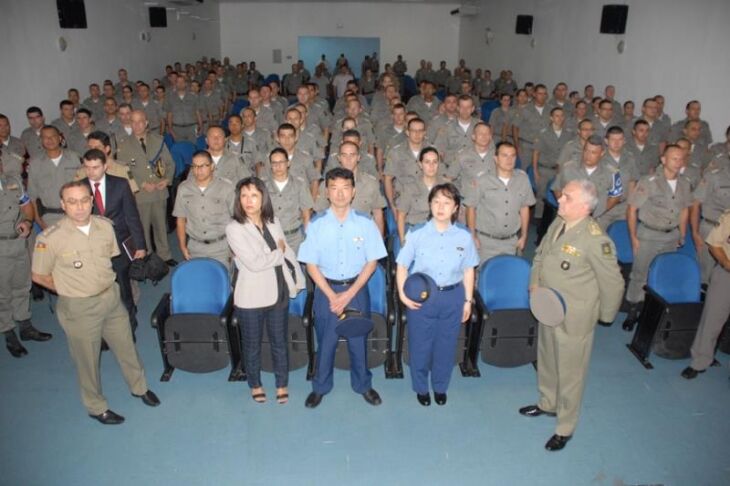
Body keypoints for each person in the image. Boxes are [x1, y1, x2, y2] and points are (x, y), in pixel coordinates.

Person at [31, 181, 159, 425]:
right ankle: (96, 406)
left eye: (83, 200)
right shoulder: (50, 238)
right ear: (62, 205)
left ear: (91, 201)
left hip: (110, 297)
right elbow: (39, 275)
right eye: (72, 202)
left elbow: (110, 258)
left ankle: (139, 387)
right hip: (79, 307)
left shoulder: (105, 227)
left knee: (127, 347)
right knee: (87, 360)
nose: (79, 207)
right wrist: (69, 288)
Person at [520, 179, 624, 451]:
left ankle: (565, 426)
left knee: (570, 371)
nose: (560, 200)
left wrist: (604, 316)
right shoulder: (559, 222)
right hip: (548, 307)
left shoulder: (595, 239)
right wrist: (535, 283)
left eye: (566, 197)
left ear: (584, 207)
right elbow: (540, 255)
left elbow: (613, 282)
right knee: (547, 358)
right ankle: (547, 402)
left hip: (575, 317)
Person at [298, 167, 388, 408]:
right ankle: (320, 387)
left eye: (345, 188)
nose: (340, 194)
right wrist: (331, 295)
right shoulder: (316, 224)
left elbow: (372, 262)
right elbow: (310, 264)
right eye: (334, 188)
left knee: (358, 341)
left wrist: (348, 294)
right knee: (326, 342)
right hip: (326, 291)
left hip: (356, 291)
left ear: (353, 191)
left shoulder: (365, 223)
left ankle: (363, 385)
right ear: (327, 192)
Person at [396, 183, 478, 406]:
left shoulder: (464, 236)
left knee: (446, 344)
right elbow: (402, 265)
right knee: (420, 344)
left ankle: (440, 387)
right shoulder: (417, 234)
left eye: (446, 202)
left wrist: (468, 301)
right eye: (436, 202)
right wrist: (403, 295)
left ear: (455, 208)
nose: (440, 207)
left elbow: (469, 269)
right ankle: (421, 388)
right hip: (424, 298)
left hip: (453, 296)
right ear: (430, 205)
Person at [226, 177, 305, 404]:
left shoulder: (273, 221)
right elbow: (254, 263)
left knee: (279, 342)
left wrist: (292, 274)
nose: (248, 201)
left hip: (278, 290)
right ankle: (255, 384)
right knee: (252, 345)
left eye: (254, 195)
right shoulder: (234, 228)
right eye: (243, 196)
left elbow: (286, 252)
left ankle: (282, 384)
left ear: (263, 198)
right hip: (250, 296)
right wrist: (276, 253)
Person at [622, 145, 692, 330]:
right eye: (674, 158)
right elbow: (632, 209)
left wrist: (683, 233)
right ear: (663, 159)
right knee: (640, 274)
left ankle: (653, 311)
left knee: (663, 274)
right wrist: (634, 237)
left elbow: (685, 209)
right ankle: (633, 309)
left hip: (671, 236)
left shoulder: (685, 183)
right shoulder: (649, 181)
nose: (678, 162)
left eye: (681, 159)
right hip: (649, 234)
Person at [79, 148, 146, 336]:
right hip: (92, 249)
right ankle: (107, 331)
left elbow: (132, 216)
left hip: (118, 245)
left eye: (96, 167)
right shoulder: (79, 188)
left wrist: (140, 246)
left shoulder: (120, 184)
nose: (91, 172)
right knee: (99, 292)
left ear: (105, 166)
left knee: (124, 289)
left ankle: (129, 326)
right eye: (88, 167)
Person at [1, 167, 52, 357]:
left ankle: (25, 325)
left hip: (18, 242)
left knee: (22, 286)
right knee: (2, 292)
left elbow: (26, 205)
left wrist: (28, 222)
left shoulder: (12, 181)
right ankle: (8, 332)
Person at [116, 110, 176, 267]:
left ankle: (164, 254)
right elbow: (123, 171)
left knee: (161, 225)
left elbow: (170, 164)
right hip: (140, 194)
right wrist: (141, 184)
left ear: (146, 122)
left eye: (140, 121)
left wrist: (167, 180)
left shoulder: (158, 140)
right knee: (142, 227)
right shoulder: (123, 145)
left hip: (159, 191)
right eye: (133, 122)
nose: (136, 125)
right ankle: (147, 255)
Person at [465, 142, 535, 264]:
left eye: (513, 156)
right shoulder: (483, 180)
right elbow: (471, 207)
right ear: (496, 158)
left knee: (507, 277)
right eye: (504, 155)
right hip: (486, 241)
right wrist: (472, 236)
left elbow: (524, 208)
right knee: (483, 277)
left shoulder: (522, 179)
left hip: (511, 241)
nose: (509, 159)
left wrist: (524, 236)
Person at [682, 209, 730, 379]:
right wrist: (726, 263)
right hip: (727, 275)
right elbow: (714, 244)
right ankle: (700, 361)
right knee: (712, 319)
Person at [174, 150, 234, 266]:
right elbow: (181, 219)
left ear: (212, 167)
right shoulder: (184, 188)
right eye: (195, 166)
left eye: (203, 166)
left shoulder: (226, 188)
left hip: (221, 248)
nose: (198, 170)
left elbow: (236, 219)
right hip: (195, 247)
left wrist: (235, 247)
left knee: (221, 282)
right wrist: (182, 246)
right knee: (199, 282)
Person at [396, 147, 448, 244]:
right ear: (420, 164)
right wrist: (403, 241)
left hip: (439, 233)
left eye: (435, 162)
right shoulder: (409, 187)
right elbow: (401, 216)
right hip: (415, 231)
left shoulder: (446, 187)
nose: (431, 166)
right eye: (427, 162)